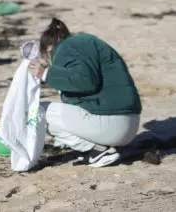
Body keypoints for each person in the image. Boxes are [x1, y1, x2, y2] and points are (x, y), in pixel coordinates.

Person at [28, 18, 142, 168]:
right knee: (61, 114)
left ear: (49, 48)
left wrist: (45, 74)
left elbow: (85, 81)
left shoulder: (67, 47)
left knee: (38, 111)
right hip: (127, 126)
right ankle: (100, 148)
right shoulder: (83, 44)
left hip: (112, 126)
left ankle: (96, 150)